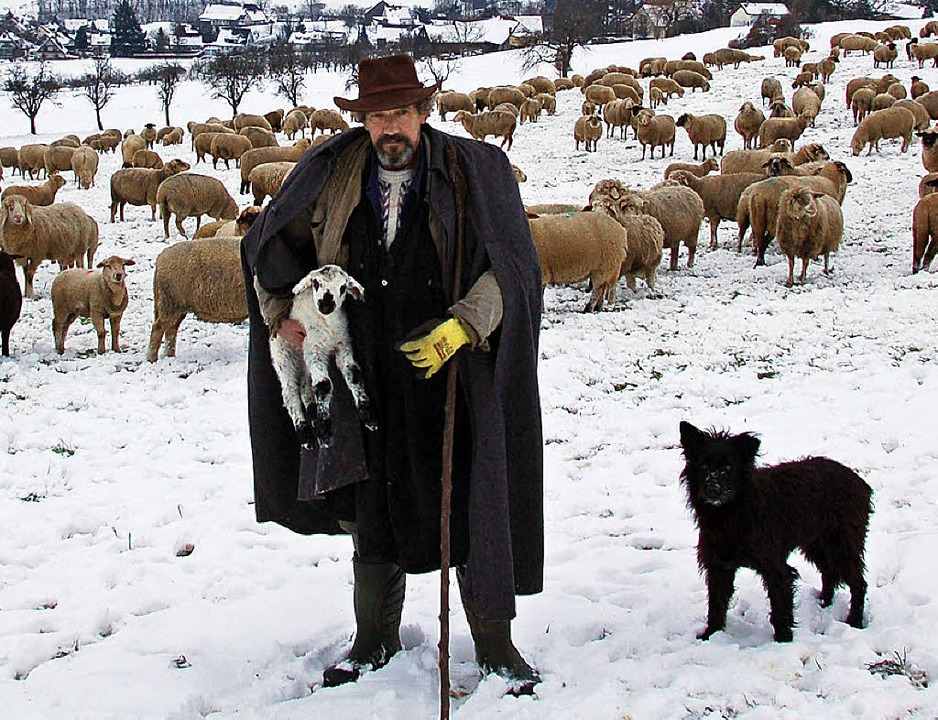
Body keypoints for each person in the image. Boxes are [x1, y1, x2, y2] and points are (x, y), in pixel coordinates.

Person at [240, 54, 543, 695]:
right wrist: (283, 313)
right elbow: (266, 245)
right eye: (377, 115)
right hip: (363, 369)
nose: (389, 128)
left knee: (466, 499)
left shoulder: (473, 172)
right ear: (364, 120)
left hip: (451, 370)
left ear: (424, 112)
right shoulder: (332, 171)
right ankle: (373, 638)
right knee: (369, 500)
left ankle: (494, 643)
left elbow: (515, 268)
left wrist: (464, 324)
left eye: (401, 112)